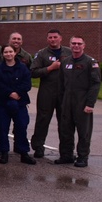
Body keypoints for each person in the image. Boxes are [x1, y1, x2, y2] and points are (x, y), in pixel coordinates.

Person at [55, 36, 101, 168]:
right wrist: (61, 102)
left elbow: (95, 85)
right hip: (67, 102)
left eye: (79, 44)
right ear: (69, 45)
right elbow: (61, 84)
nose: (76, 46)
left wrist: (90, 104)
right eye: (73, 43)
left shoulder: (90, 62)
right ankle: (66, 155)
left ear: (84, 45)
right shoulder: (65, 62)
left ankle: (82, 157)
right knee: (65, 130)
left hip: (82, 102)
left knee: (83, 132)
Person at [0, 45, 34, 164]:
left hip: (20, 102)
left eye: (11, 51)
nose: (8, 54)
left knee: (21, 127)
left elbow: (27, 84)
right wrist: (10, 93)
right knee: (3, 128)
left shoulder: (23, 68)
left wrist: (17, 93)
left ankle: (24, 153)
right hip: (2, 102)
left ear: (15, 53)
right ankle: (4, 152)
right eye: (6, 52)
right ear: (2, 54)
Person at [30, 29, 65, 159]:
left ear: (60, 38)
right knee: (42, 120)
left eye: (55, 37)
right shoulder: (42, 54)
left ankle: (66, 150)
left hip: (64, 92)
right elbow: (33, 72)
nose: (52, 40)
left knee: (65, 122)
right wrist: (50, 68)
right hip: (47, 91)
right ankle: (38, 147)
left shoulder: (68, 52)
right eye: (50, 37)